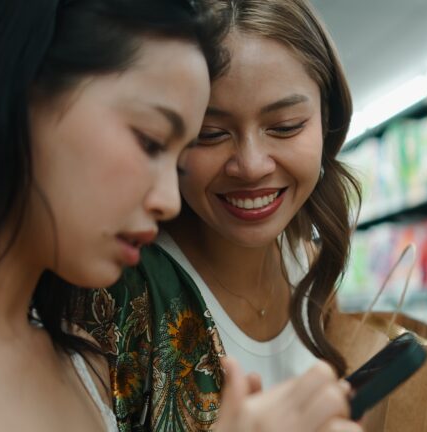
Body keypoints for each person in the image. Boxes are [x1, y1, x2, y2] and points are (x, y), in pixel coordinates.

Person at [0, 1, 357, 431]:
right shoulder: (118, 320)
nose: (170, 201)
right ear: (19, 92)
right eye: (152, 141)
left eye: (285, 126)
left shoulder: (84, 364)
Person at [74, 0, 362, 430]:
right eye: (210, 134)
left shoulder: (310, 266)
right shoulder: (118, 293)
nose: (250, 165)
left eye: (285, 126)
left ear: (327, 122)